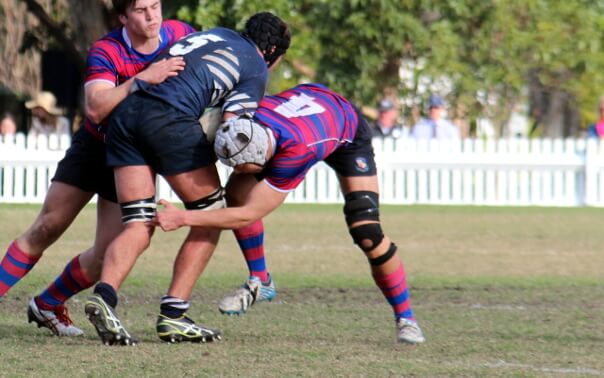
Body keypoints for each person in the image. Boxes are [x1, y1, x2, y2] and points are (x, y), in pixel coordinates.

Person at [155, 83, 426, 345]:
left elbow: (246, 215)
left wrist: (184, 218)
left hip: (346, 127)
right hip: (304, 109)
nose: (236, 170)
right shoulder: (246, 121)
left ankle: (407, 319)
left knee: (366, 231)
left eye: (241, 166)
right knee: (236, 192)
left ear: (263, 156)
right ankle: (261, 280)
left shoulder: (294, 151)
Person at [0, 0, 193, 337]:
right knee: (46, 227)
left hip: (136, 157)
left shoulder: (180, 34)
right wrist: (142, 79)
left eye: (155, 7)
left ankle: (46, 305)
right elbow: (95, 107)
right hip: (95, 148)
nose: (152, 17)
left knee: (109, 254)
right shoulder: (107, 50)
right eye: (141, 11)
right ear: (123, 17)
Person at [83, 12, 291, 346]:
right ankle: (174, 316)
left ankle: (104, 297)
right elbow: (235, 130)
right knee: (210, 216)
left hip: (127, 116)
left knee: (138, 223)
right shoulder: (254, 64)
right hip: (170, 120)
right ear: (272, 53)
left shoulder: (217, 34)